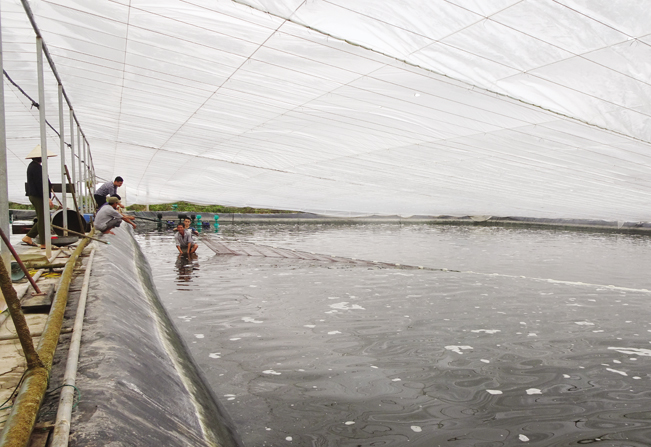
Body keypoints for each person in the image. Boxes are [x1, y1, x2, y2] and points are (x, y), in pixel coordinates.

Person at [22, 145, 55, 248]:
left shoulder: (35, 166)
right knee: (43, 218)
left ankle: (28, 237)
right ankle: (44, 242)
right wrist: (47, 198)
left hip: (38, 195)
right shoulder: (35, 167)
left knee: (44, 218)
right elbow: (40, 184)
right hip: (38, 195)